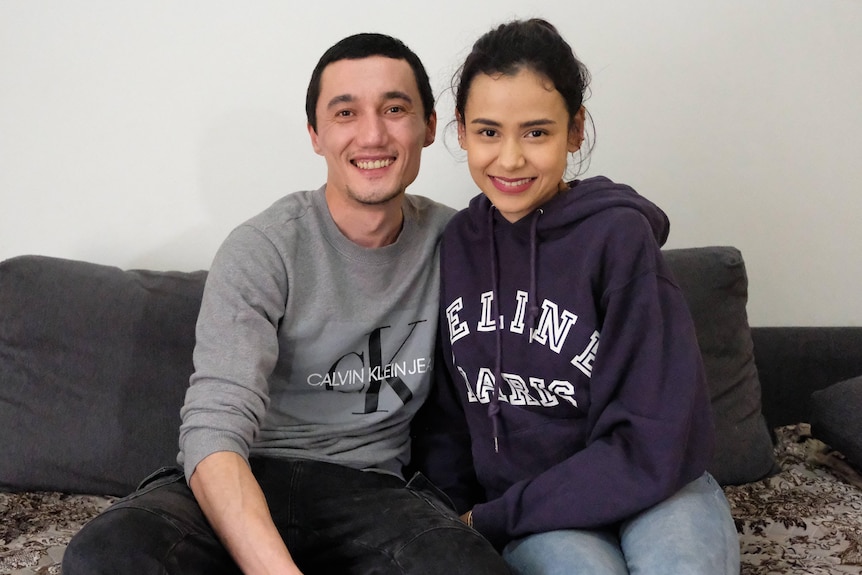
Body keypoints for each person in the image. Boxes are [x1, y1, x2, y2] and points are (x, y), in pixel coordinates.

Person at [63, 32, 510, 575]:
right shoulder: (264, 246)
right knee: (108, 554)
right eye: (345, 113)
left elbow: (553, 224)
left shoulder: (459, 241)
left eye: (395, 109)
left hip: (373, 491)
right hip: (248, 471)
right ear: (316, 135)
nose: (372, 134)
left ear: (430, 127)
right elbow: (214, 426)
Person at [410, 18, 740, 575]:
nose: (510, 159)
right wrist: (461, 517)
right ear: (461, 131)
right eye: (489, 132)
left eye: (536, 132)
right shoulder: (457, 248)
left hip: (658, 489)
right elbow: (446, 416)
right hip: (535, 507)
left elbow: (653, 435)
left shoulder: (617, 237)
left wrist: (493, 517)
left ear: (576, 129)